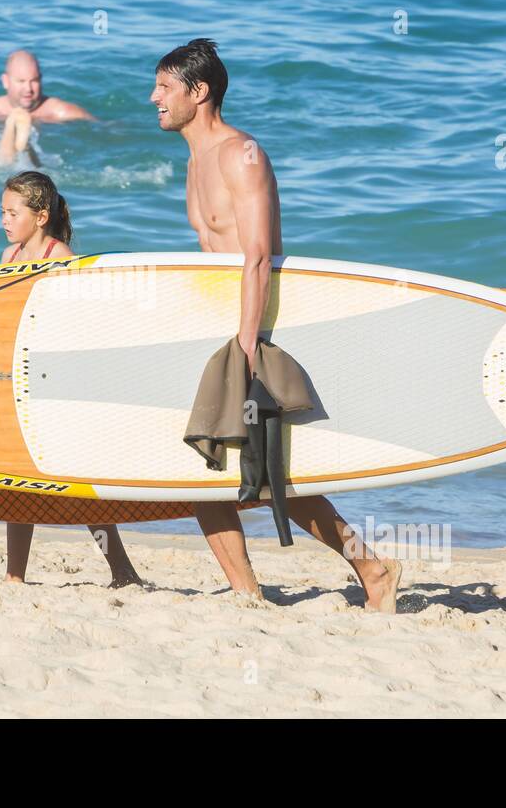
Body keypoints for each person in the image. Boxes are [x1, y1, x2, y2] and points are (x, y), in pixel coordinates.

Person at [151, 39, 401, 612]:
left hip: (255, 329)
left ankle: (372, 567)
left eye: (165, 88)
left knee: (271, 477)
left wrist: (247, 342)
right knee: (202, 465)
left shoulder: (242, 155)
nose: (154, 98)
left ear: (199, 92)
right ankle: (247, 595)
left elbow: (257, 255)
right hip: (219, 328)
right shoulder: (194, 159)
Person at [0, 171, 142, 587]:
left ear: (41, 216)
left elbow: (81, 322)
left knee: (74, 481)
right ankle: (14, 574)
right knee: (17, 479)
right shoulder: (8, 257)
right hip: (22, 378)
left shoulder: (60, 258)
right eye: (2, 212)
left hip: (59, 384)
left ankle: (122, 568)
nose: (5, 220)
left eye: (13, 212)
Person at [0, 49, 96, 167]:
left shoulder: (62, 112)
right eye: (21, 81)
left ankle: (22, 140)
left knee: (18, 166)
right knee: (3, 164)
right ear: (5, 81)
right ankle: (16, 132)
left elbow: (102, 128)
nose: (28, 89)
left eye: (34, 81)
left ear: (41, 79)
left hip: (38, 160)